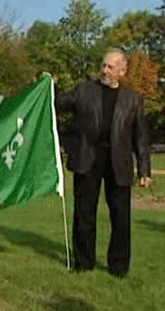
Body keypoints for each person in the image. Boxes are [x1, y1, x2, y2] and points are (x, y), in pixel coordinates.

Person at [56, 50, 151, 278]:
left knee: (121, 216)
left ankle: (118, 267)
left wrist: (144, 170)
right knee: (84, 213)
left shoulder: (133, 100)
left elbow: (141, 137)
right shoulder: (84, 90)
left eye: (110, 67)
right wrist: (49, 86)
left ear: (122, 71)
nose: (105, 70)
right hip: (87, 158)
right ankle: (83, 263)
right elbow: (57, 103)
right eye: (103, 65)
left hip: (119, 162)